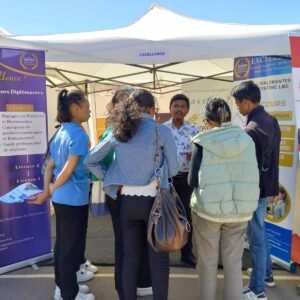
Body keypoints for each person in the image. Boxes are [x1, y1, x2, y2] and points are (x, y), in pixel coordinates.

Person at [84, 89, 179, 300]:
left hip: (126, 202)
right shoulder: (160, 131)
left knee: (130, 258)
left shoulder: (120, 129)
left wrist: (110, 176)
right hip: (154, 202)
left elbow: (90, 160)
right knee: (159, 259)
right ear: (150, 108)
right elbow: (173, 170)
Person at [188, 97, 259, 300]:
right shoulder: (247, 140)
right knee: (234, 263)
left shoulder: (202, 142)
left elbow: (192, 181)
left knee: (207, 263)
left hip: (208, 211)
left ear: (207, 119)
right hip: (240, 211)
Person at [29, 89, 95, 300]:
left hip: (62, 199)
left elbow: (50, 164)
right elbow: (67, 169)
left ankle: (63, 286)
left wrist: (47, 190)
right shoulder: (78, 134)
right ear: (76, 109)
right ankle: (69, 294)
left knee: (63, 246)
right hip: (73, 198)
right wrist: (48, 191)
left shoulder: (60, 131)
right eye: (87, 106)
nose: (90, 110)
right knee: (70, 248)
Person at [98, 86, 153, 299]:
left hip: (133, 193)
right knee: (124, 242)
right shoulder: (115, 129)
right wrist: (112, 178)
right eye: (127, 103)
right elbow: (97, 159)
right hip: (120, 193)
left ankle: (139, 282)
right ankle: (123, 287)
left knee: (136, 240)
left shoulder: (139, 128)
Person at [231, 80, 281, 299]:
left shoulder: (251, 129)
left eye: (237, 103)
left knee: (255, 238)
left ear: (245, 102)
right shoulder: (270, 120)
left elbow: (246, 166)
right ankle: (267, 274)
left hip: (254, 191)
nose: (237, 108)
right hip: (266, 186)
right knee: (260, 232)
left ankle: (257, 289)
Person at [164, 93, 199, 267]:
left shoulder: (194, 130)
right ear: (170, 108)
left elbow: (202, 154)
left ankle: (187, 253)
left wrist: (194, 155)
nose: (178, 109)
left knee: (186, 216)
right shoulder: (161, 129)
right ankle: (164, 250)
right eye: (175, 105)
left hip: (185, 179)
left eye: (182, 106)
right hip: (167, 179)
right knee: (165, 215)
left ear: (187, 110)